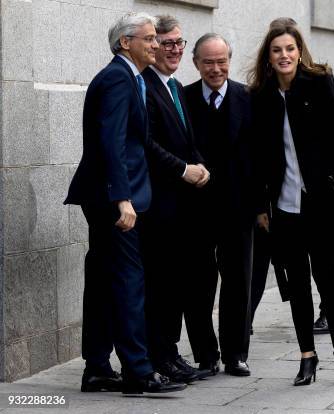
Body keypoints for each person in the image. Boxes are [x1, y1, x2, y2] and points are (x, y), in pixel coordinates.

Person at [64, 12, 186, 394]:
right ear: (125, 43)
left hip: (107, 195)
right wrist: (122, 199)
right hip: (112, 198)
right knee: (129, 283)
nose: (156, 44)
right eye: (149, 38)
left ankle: (98, 368)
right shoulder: (118, 78)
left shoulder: (129, 78)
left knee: (102, 283)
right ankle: (138, 371)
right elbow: (111, 142)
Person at [248, 20, 334, 386]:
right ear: (268, 58)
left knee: (327, 278)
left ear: (299, 51)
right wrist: (259, 207)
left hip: (319, 202)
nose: (284, 55)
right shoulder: (261, 96)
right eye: (276, 50)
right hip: (284, 206)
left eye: (289, 48)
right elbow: (257, 160)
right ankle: (307, 357)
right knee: (297, 284)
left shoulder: (319, 83)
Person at [139, 14, 211, 383]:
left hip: (181, 206)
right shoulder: (145, 86)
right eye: (166, 43)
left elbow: (186, 139)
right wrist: (184, 169)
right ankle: (158, 356)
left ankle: (171, 354)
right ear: (152, 47)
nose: (174, 50)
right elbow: (147, 144)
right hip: (158, 204)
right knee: (160, 286)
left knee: (175, 285)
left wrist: (201, 165)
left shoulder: (176, 87)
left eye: (180, 43)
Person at [184, 33, 259, 376]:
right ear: (195, 63)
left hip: (238, 208)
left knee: (238, 282)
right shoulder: (182, 99)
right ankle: (206, 355)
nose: (216, 69)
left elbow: (263, 156)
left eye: (222, 61)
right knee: (197, 283)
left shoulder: (249, 98)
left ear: (230, 60)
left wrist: (261, 206)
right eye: (208, 62)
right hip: (195, 208)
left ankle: (235, 354)